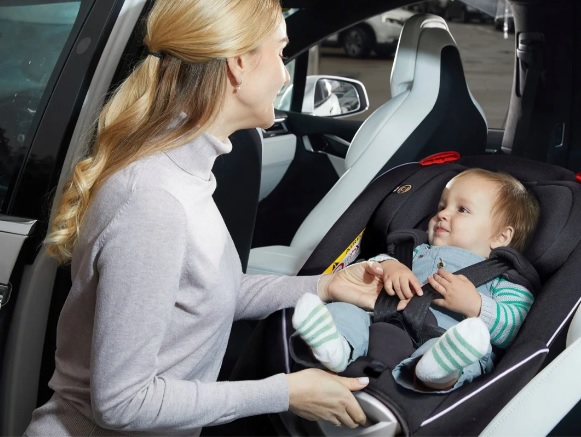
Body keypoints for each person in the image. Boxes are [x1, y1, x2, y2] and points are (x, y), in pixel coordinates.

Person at [24, 1, 386, 435]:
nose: (285, 75)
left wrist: (326, 286)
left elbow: (207, 292)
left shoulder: (187, 174)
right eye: (280, 52)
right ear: (238, 63)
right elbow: (122, 403)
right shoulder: (153, 201)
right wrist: (284, 392)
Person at [292, 168, 540, 393]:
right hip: (380, 321)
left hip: (443, 337)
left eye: (462, 210)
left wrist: (476, 306)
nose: (442, 214)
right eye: (441, 206)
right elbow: (367, 269)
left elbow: (515, 328)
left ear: (501, 237)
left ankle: (437, 372)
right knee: (345, 311)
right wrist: (388, 266)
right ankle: (336, 347)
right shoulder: (415, 250)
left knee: (472, 352)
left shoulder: (505, 278)